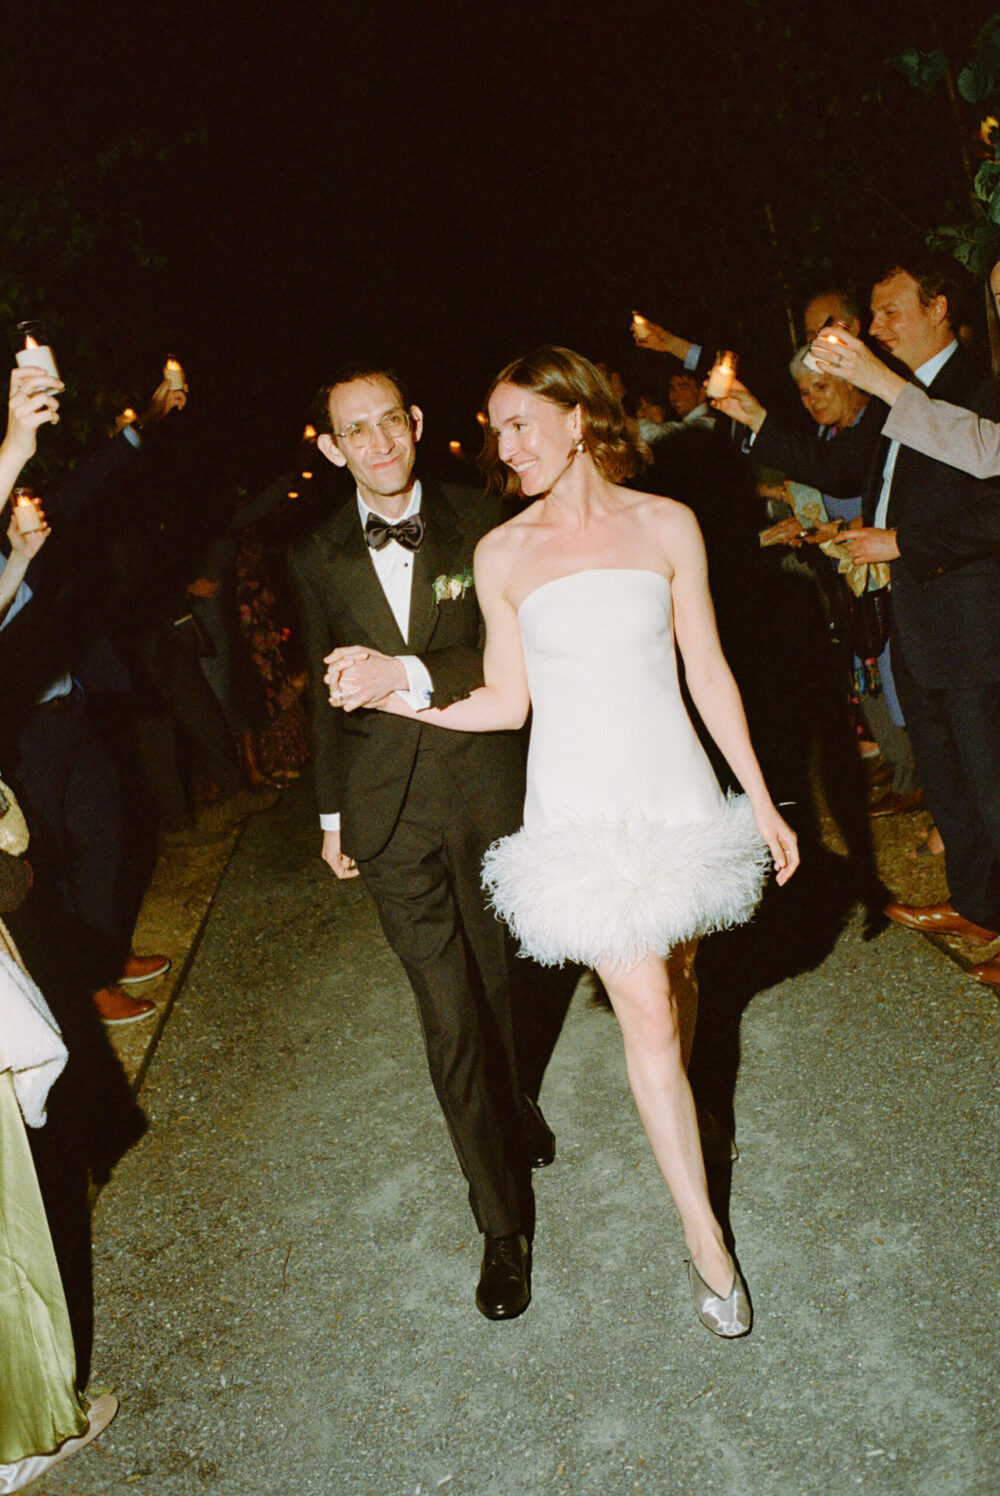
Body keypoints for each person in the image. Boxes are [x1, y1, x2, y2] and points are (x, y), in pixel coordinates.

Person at [330, 347, 799, 1338]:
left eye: (518, 424)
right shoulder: (503, 551)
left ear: (576, 418)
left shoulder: (666, 524)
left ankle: (685, 1099)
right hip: (580, 809)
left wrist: (759, 795)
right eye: (496, 431)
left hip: (672, 791)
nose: (504, 448)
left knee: (678, 981)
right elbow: (505, 701)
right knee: (642, 1010)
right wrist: (400, 687)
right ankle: (706, 1240)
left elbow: (707, 668)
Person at [288, 363, 552, 1322]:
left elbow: (507, 659)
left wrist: (403, 670)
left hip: (483, 793)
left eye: (390, 421)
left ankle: (514, 1101)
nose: (379, 443)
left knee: (500, 983)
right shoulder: (314, 556)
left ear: (418, 420)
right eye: (355, 430)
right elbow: (324, 704)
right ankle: (500, 1224)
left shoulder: (482, 522)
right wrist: (328, 816)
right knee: (447, 1018)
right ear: (331, 448)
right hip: (385, 815)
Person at [716, 252, 1000, 957]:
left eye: (890, 310)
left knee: (993, 781)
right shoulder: (897, 398)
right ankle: (979, 907)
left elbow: (994, 508)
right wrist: (750, 413)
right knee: (949, 776)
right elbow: (838, 467)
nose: (875, 327)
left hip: (974, 621)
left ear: (940, 309)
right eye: (872, 314)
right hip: (918, 623)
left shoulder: (979, 386)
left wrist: (904, 541)